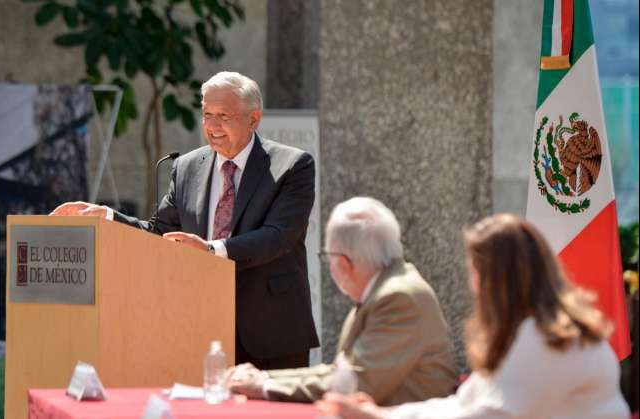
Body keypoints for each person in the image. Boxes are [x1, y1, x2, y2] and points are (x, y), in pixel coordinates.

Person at [51, 71, 319, 369]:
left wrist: (211, 250)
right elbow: (160, 232)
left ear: (253, 119)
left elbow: (279, 236)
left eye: (224, 116)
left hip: (271, 330)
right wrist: (109, 216)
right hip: (198, 328)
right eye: (207, 115)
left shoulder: (292, 165)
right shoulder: (187, 167)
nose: (213, 127)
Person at [319, 214, 631, 419]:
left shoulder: (545, 338)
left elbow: (485, 415)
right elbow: (463, 404)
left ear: (497, 277)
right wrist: (384, 414)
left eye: (475, 271)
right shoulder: (530, 331)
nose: (472, 285)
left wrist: (377, 417)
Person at [226, 197, 457, 405]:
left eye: (327, 258)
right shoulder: (387, 287)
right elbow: (342, 371)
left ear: (344, 264)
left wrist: (263, 386)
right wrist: (265, 377)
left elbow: (354, 383)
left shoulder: (397, 298)